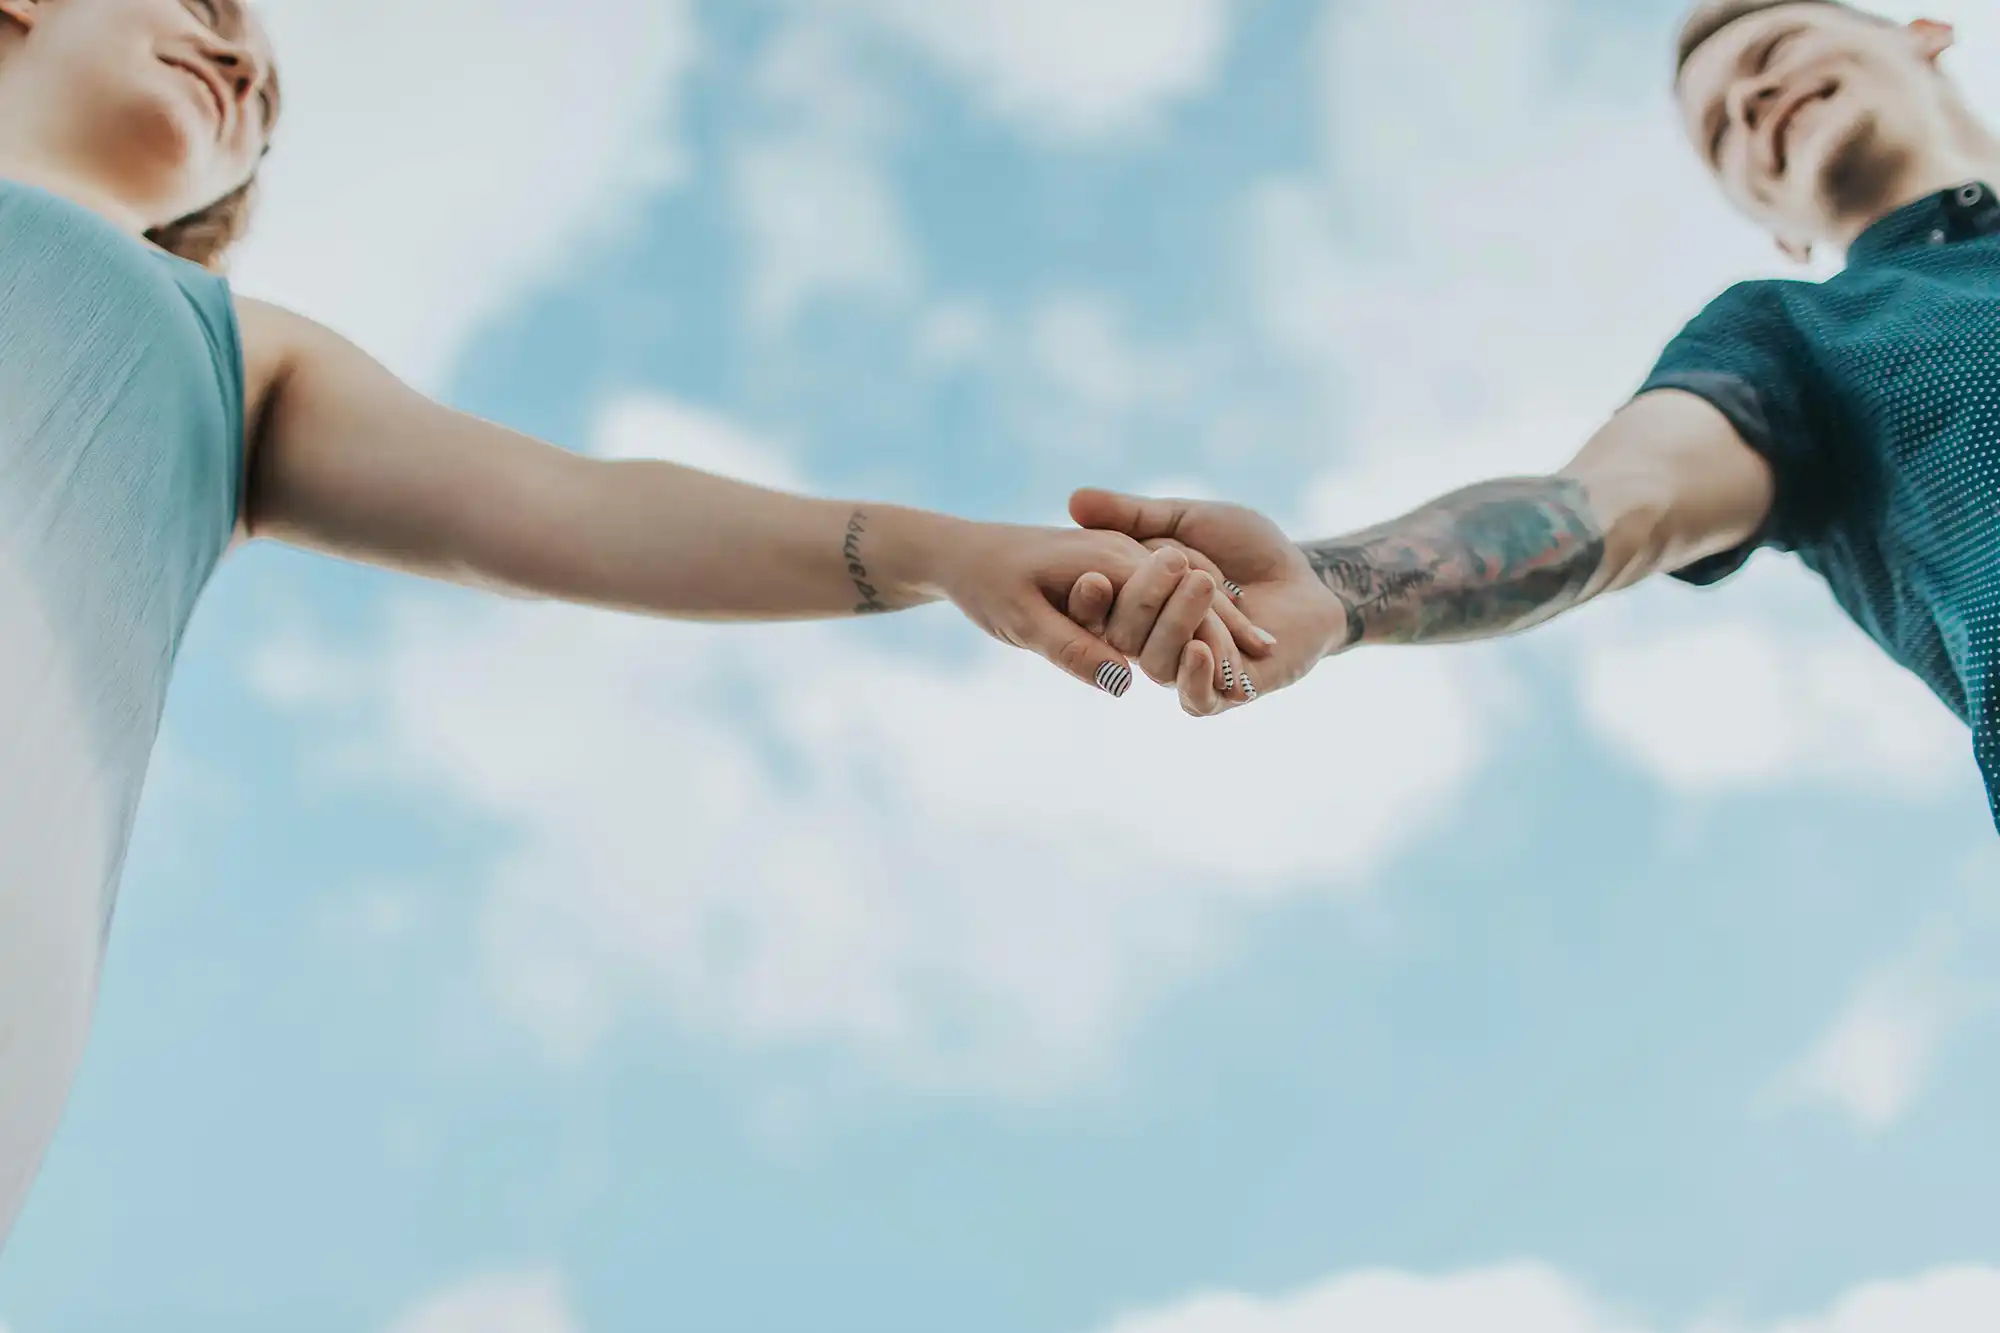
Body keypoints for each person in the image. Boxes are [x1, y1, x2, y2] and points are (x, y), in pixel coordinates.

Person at [0, 0, 1278, 1246]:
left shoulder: (234, 356)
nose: (241, 68)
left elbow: (572, 505)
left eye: (267, 95)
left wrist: (945, 553)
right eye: (206, 7)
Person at [1076, 0, 2000, 834]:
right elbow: (1615, 499)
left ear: (1923, 36)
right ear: (1778, 230)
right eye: (1721, 132)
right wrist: (1338, 584)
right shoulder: (1792, 341)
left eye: (1774, 50)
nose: (1751, 102)